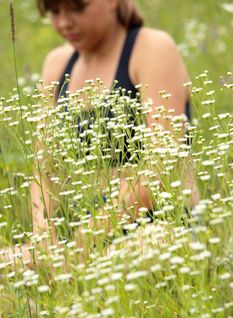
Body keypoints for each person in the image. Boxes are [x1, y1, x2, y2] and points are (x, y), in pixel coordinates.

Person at [2, 0, 199, 265]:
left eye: (76, 8)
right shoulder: (57, 65)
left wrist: (90, 235)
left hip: (158, 224)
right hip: (80, 236)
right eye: (54, 12)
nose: (64, 22)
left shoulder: (151, 48)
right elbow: (44, 170)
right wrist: (43, 237)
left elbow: (162, 168)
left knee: (129, 256)